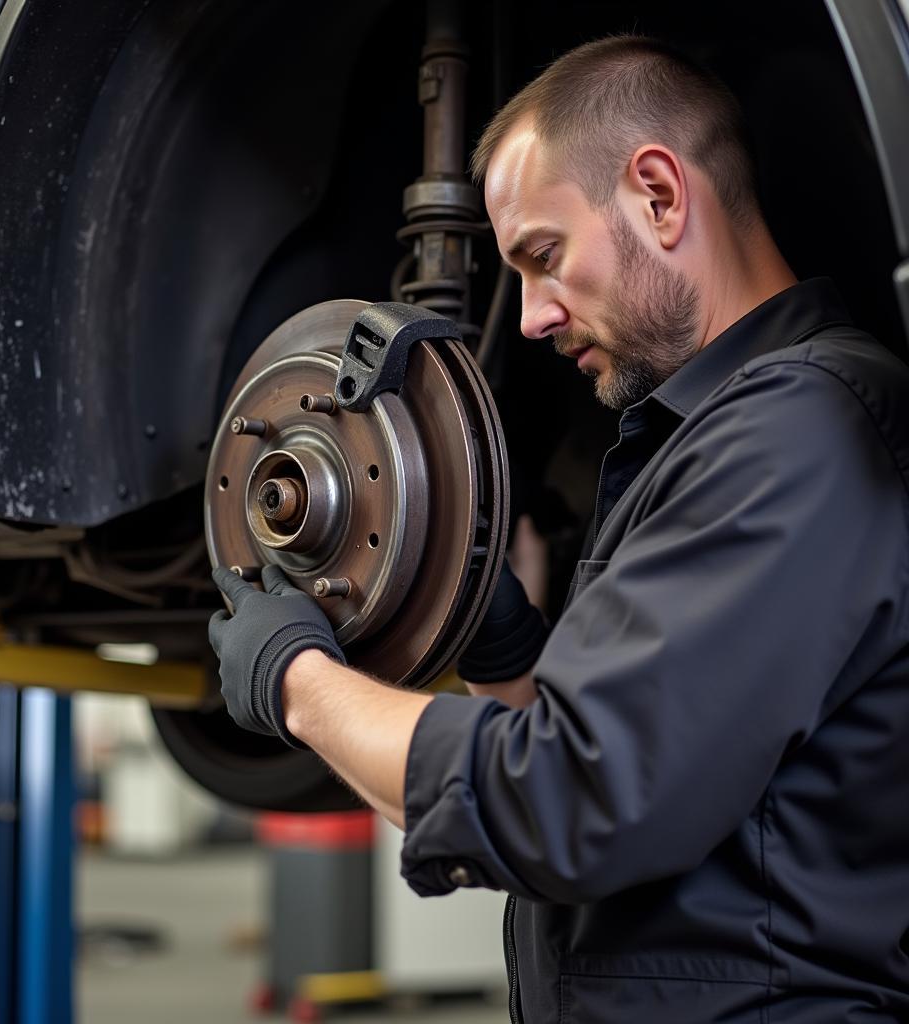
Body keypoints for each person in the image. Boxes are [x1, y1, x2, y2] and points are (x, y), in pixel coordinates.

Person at [208, 36, 909, 1023]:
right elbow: (646, 757)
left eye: (544, 256)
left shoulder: (795, 430)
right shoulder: (702, 434)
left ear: (659, 195)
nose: (531, 317)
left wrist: (295, 680)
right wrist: (510, 656)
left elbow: (565, 803)